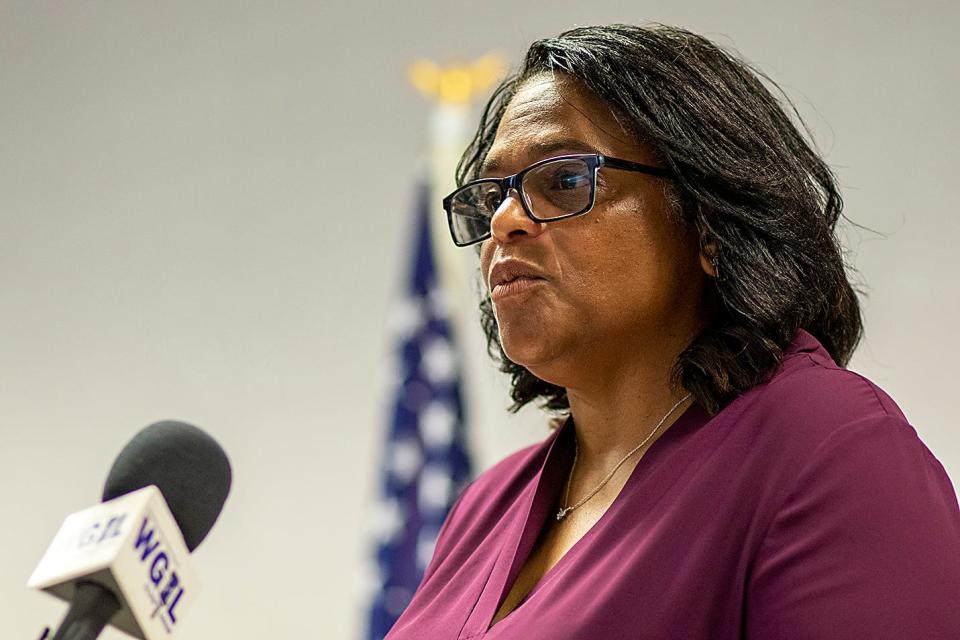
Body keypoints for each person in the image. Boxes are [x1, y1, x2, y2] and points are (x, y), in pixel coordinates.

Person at [386, 24, 960, 639]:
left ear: (709, 222)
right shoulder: (486, 504)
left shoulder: (831, 448)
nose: (504, 220)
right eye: (492, 194)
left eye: (564, 181)